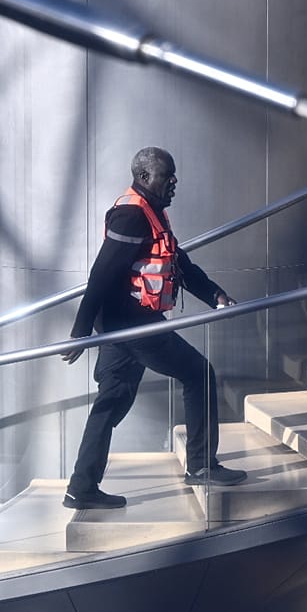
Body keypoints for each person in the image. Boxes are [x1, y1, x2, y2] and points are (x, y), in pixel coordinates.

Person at [60, 147, 247, 509]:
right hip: (132, 326)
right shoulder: (131, 217)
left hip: (123, 325)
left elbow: (181, 264)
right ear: (145, 178)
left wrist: (216, 295)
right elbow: (100, 277)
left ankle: (81, 487)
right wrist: (79, 333)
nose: (174, 182)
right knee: (198, 374)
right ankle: (201, 465)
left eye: (174, 175)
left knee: (111, 400)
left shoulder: (152, 212)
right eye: (168, 176)